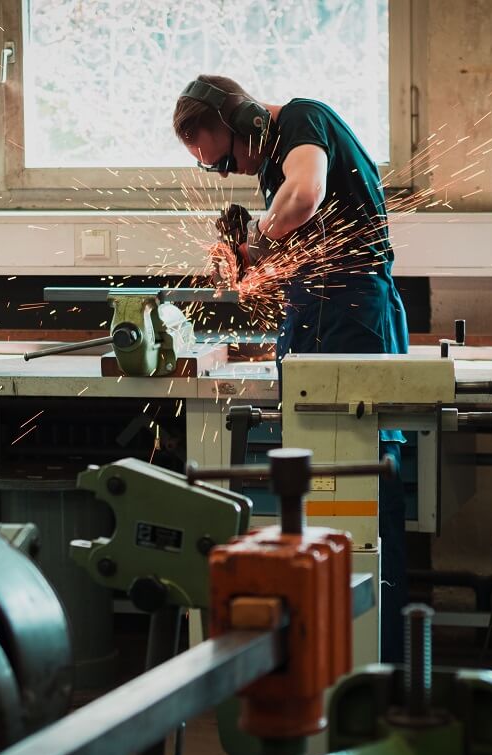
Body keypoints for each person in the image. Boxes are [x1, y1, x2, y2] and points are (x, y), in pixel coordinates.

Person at [173, 75, 410, 664]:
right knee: (321, 485)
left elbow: (303, 198)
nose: (229, 173)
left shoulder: (302, 120)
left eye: (225, 158)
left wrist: (254, 240)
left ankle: (376, 657)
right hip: (318, 309)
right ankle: (330, 648)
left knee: (362, 488)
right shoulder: (270, 160)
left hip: (353, 312)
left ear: (246, 120)